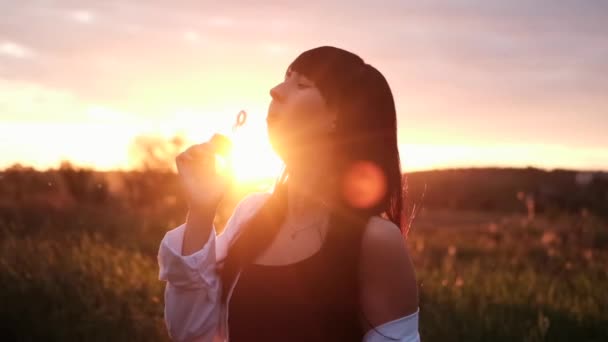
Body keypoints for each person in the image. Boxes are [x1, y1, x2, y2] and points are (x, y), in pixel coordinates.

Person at [158, 46, 420, 341]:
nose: (275, 91)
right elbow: (192, 332)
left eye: (302, 84)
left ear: (339, 116)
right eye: (285, 78)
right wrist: (202, 211)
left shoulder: (375, 240)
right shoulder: (252, 214)